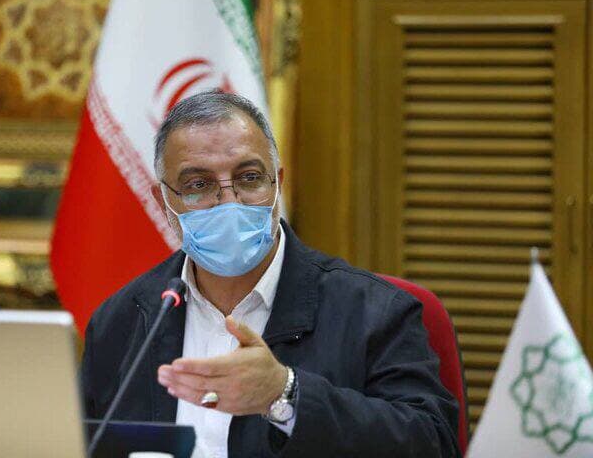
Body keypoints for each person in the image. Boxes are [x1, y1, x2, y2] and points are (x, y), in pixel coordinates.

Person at [81, 90, 460, 458]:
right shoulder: (122, 321)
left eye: (248, 178)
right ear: (163, 200)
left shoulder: (374, 313)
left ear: (278, 182)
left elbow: (434, 442)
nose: (229, 201)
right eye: (198, 185)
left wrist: (285, 394)